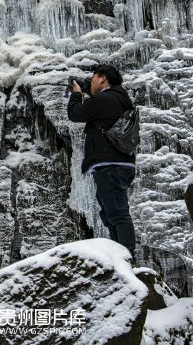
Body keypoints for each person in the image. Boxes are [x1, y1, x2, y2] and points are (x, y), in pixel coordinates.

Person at [67, 64, 136, 257]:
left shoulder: (106, 98)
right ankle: (119, 256)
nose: (91, 83)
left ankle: (127, 258)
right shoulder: (121, 99)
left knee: (117, 214)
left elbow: (75, 114)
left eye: (93, 79)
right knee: (110, 214)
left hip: (110, 165)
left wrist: (76, 94)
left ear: (103, 78)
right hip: (121, 163)